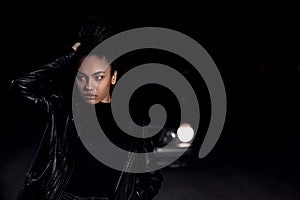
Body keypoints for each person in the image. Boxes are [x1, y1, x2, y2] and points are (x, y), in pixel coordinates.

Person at [10, 15, 163, 200]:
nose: (89, 86)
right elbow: (21, 86)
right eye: (83, 77)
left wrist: (135, 197)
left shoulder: (135, 123)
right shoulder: (66, 110)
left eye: (99, 77)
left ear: (113, 77)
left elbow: (152, 176)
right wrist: (69, 55)